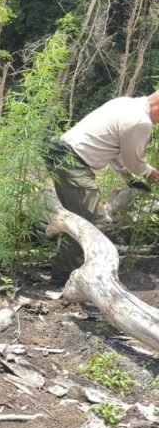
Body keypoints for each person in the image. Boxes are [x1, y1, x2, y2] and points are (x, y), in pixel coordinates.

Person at [43, 91, 159, 286]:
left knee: (77, 216)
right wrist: (149, 172)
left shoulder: (126, 104)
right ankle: (63, 276)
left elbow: (115, 151)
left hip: (63, 154)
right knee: (90, 221)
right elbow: (133, 161)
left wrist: (128, 179)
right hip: (72, 162)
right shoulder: (141, 121)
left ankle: (66, 264)